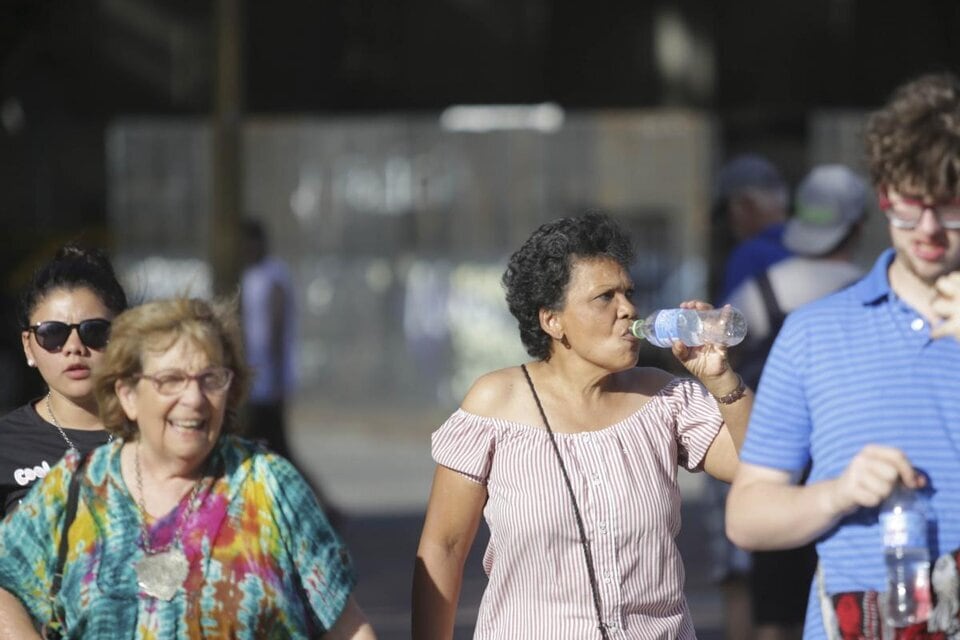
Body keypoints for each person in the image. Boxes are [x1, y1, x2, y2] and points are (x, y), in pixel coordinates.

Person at [412, 212, 753, 639]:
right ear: (552, 321)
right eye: (604, 297)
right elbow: (443, 548)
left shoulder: (664, 399)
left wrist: (720, 378)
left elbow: (759, 468)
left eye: (628, 293)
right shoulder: (495, 405)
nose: (628, 309)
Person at [726, 72, 960, 640]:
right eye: (910, 205)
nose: (928, 228)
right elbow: (747, 517)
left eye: (951, 206)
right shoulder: (815, 333)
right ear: (882, 195)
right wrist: (836, 492)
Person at [0, 297, 376, 639]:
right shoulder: (74, 489)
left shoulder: (270, 484)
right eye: (171, 380)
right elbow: (6, 583)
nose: (194, 399)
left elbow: (349, 629)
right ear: (128, 394)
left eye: (210, 379)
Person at [725, 164, 869, 640]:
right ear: (860, 223)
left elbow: (721, 355)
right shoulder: (873, 292)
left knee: (772, 606)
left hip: (774, 468)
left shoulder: (760, 290)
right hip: (852, 471)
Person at [0, 244, 128, 517]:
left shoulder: (157, 435)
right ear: (28, 346)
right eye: (52, 333)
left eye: (94, 331)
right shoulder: (6, 443)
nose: (74, 347)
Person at [240, 218, 297, 460]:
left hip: (268, 376)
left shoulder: (273, 275)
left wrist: (276, 377)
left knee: (274, 444)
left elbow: (277, 327)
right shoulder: (247, 274)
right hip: (254, 373)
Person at [713, 153, 792, 302]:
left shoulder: (749, 256)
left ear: (746, 204)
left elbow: (727, 322)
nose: (728, 223)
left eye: (727, 211)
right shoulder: (816, 250)